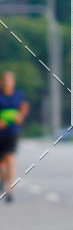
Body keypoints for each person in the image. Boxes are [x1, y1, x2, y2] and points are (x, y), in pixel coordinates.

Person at [0, 70, 29, 204]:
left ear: (13, 82)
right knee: (1, 163)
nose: (7, 82)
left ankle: (10, 189)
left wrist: (20, 116)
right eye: (4, 80)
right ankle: (2, 179)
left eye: (9, 80)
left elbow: (23, 106)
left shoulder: (18, 95)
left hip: (12, 132)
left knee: (10, 158)